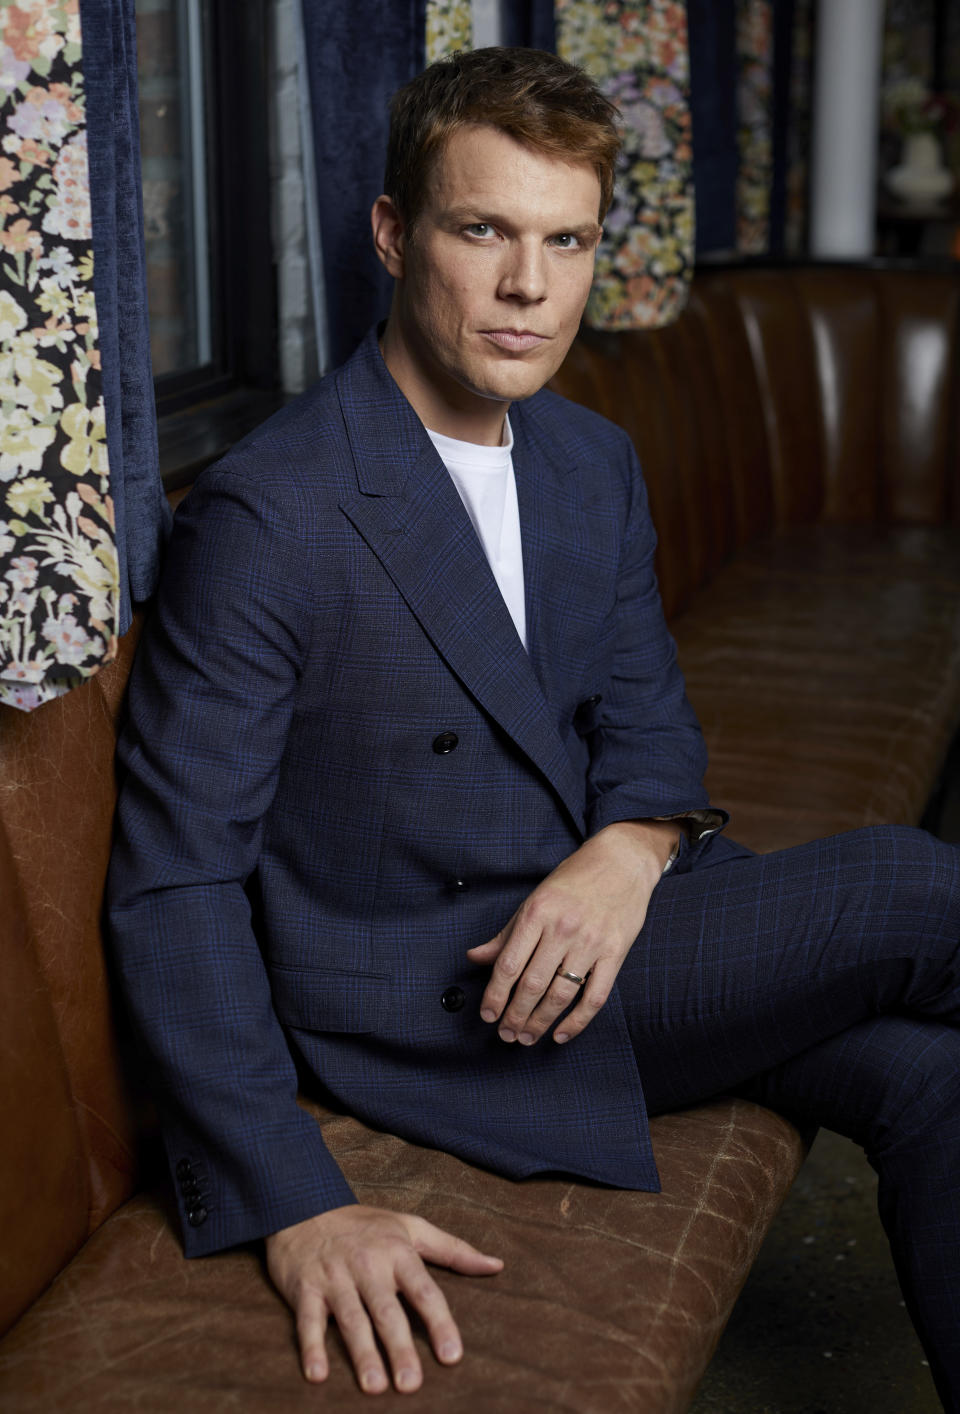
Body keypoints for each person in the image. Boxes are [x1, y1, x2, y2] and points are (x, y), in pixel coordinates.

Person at [108, 46, 960, 1407]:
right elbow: (174, 883)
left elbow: (644, 712)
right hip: (451, 997)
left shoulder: (586, 460)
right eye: (484, 230)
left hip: (618, 927)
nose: (529, 286)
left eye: (565, 241)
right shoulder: (272, 516)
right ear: (394, 233)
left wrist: (630, 845)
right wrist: (294, 1195)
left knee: (933, 1078)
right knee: (923, 883)